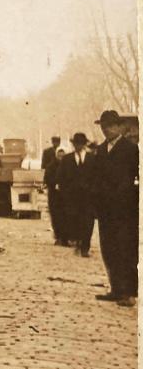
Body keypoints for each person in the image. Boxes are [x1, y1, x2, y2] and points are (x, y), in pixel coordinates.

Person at [91, 110, 139, 306]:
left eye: (110, 125)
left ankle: (129, 292)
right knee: (109, 248)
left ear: (119, 127)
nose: (106, 130)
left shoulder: (131, 149)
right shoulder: (101, 151)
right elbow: (95, 178)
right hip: (105, 209)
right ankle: (116, 288)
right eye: (103, 126)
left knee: (126, 249)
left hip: (125, 208)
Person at [57, 132, 95, 257]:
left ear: (84, 144)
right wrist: (65, 193)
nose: (78, 146)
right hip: (72, 198)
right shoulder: (67, 159)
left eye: (80, 144)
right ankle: (78, 242)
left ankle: (85, 247)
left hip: (88, 197)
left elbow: (98, 177)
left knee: (88, 222)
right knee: (75, 221)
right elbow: (61, 177)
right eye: (76, 144)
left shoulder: (92, 159)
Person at [44, 144, 68, 245]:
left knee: (66, 216)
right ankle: (58, 237)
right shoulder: (51, 166)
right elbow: (47, 179)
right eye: (59, 155)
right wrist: (55, 184)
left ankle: (66, 238)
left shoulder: (68, 166)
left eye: (63, 156)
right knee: (56, 217)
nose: (61, 158)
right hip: (54, 196)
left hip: (65, 196)